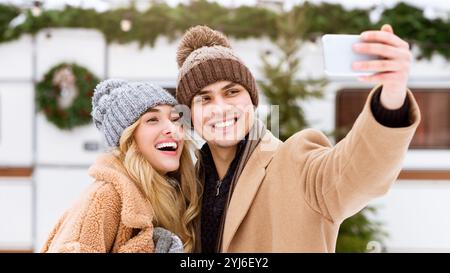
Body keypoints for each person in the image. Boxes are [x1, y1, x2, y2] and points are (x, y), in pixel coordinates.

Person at [175, 25, 420, 252]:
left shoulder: (296, 163)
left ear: (251, 99)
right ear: (191, 114)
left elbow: (357, 173)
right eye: (204, 98)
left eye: (232, 92)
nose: (220, 108)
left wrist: (392, 96)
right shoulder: (185, 188)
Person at [41, 79, 201, 253]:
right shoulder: (106, 196)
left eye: (175, 119)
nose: (173, 129)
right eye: (153, 119)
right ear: (128, 138)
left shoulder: (181, 194)